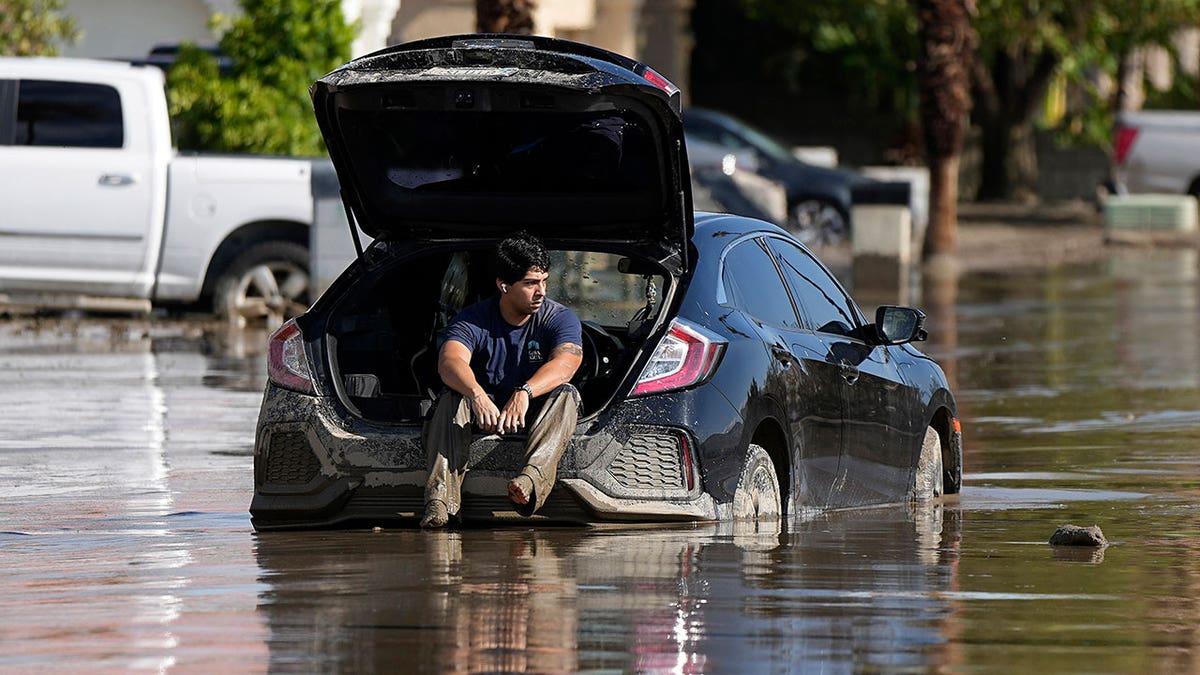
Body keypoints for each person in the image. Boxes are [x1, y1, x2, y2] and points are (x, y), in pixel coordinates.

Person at [420, 232, 583, 528]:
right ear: (503, 285)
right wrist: (477, 395)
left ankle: (530, 481)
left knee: (567, 394)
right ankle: (439, 502)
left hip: (535, 412)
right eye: (531, 283)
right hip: (484, 410)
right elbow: (450, 362)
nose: (541, 291)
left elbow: (567, 363)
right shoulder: (474, 320)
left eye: (544, 281)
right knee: (450, 398)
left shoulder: (559, 317)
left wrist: (525, 392)